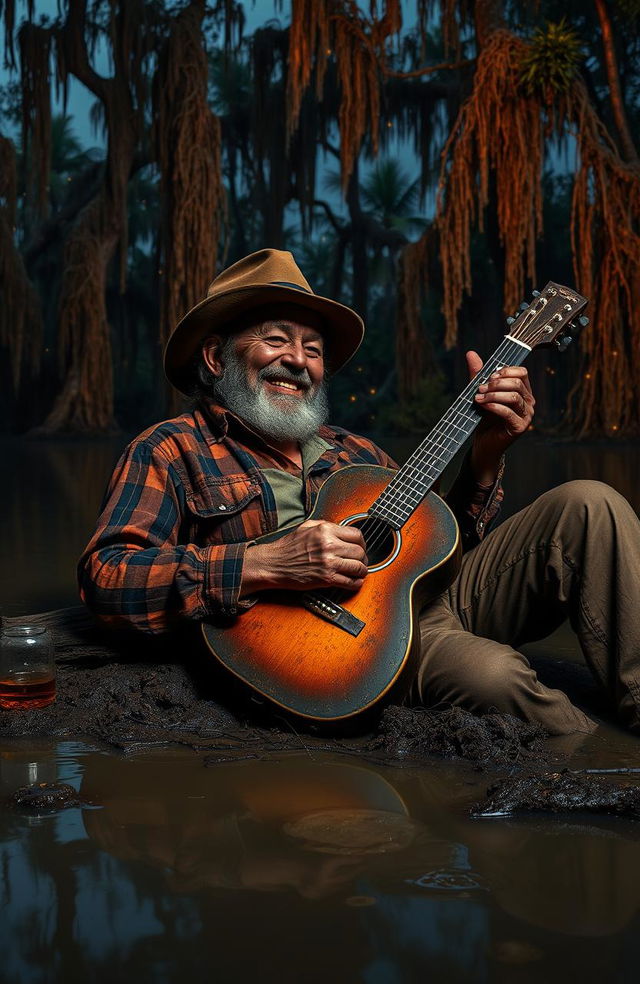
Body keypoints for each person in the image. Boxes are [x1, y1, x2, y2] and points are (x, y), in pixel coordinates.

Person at [78, 249, 640, 736]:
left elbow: (442, 547)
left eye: (314, 350)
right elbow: (107, 577)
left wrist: (487, 453)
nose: (298, 361)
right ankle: (595, 759)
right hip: (343, 648)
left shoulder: (358, 454)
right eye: (276, 340)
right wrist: (262, 563)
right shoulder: (170, 448)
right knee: (502, 678)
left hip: (423, 600)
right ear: (215, 356)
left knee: (591, 502)